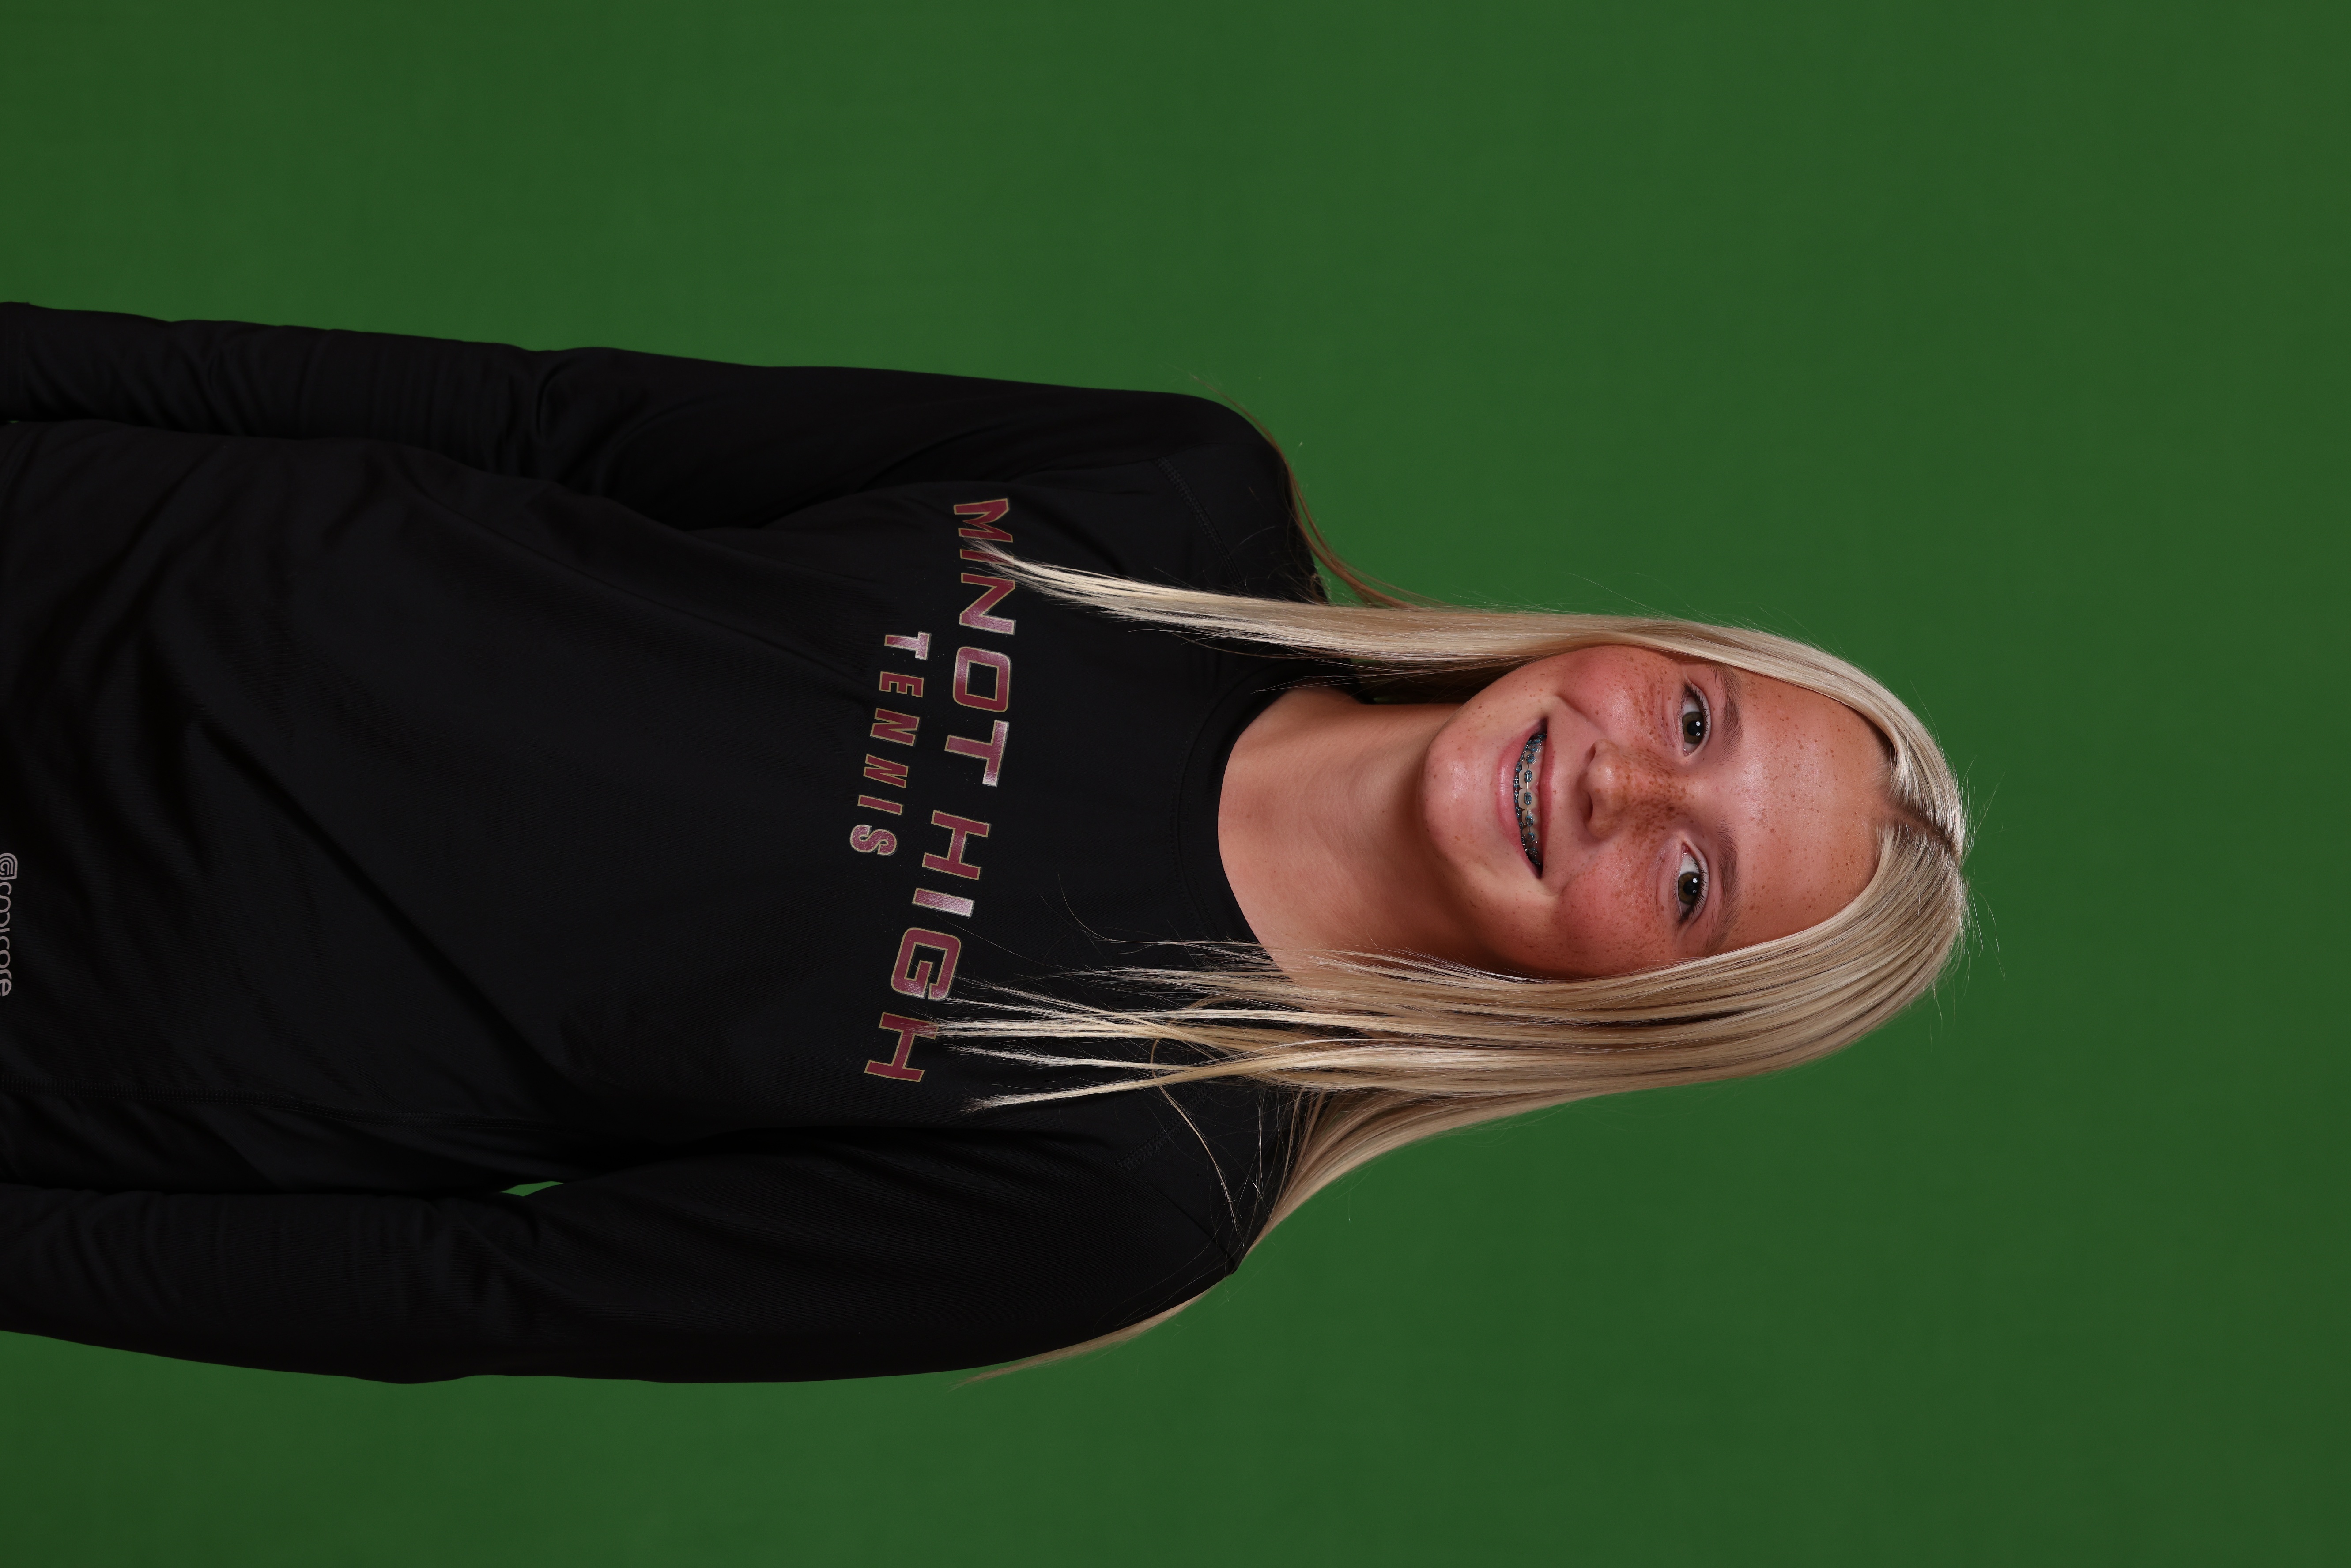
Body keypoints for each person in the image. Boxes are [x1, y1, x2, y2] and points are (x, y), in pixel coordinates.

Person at [0, 305, 1968, 1383]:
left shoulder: (1137, 1181)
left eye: (1691, 883)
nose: (1630, 787)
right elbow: (555, 423)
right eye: (1695, 720)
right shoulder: (1173, 494)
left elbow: (468, 1290)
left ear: (1638, 1006)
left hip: (67, 983)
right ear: (1646, 651)